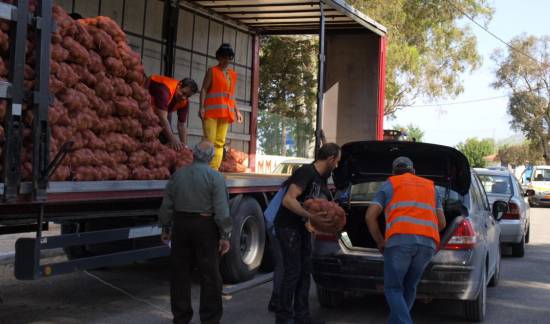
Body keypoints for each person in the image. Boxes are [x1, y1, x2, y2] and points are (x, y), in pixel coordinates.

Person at [158, 140, 233, 324]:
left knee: (180, 274)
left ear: (193, 154)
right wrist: (225, 236)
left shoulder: (178, 175)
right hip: (205, 227)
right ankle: (210, 319)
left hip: (181, 226)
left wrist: (166, 227)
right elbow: (222, 211)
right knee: (210, 276)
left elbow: (167, 204)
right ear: (211, 157)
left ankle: (181, 318)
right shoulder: (216, 178)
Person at [365, 157, 446, 324]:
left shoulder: (391, 183)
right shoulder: (430, 186)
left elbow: (369, 216)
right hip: (427, 244)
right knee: (410, 286)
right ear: (414, 171)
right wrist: (424, 231)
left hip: (399, 243)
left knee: (393, 288)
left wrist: (380, 241)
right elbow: (442, 223)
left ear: (393, 172)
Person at [274, 143, 341, 324]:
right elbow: (289, 200)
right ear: (330, 159)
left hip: (301, 229)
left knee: (305, 272)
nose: (337, 166)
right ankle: (283, 318)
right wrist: (311, 217)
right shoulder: (306, 172)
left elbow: (319, 205)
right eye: (337, 162)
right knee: (293, 272)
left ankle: (302, 317)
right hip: (288, 228)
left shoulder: (321, 179)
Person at [200, 43, 244, 170]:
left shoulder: (233, 75)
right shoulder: (212, 71)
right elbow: (203, 89)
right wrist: (201, 107)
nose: (227, 60)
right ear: (218, 57)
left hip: (226, 114)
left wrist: (237, 111)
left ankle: (213, 169)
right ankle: (204, 168)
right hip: (211, 113)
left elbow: (231, 95)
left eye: (229, 58)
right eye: (224, 57)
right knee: (209, 141)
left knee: (220, 143)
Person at [148, 75, 198, 151]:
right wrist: (172, 139)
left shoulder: (184, 102)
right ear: (179, 85)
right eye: (183, 93)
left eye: (187, 96)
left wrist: (184, 147)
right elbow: (162, 117)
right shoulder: (165, 90)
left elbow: (182, 125)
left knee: (166, 138)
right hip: (145, 104)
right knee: (151, 135)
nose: (184, 98)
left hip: (161, 110)